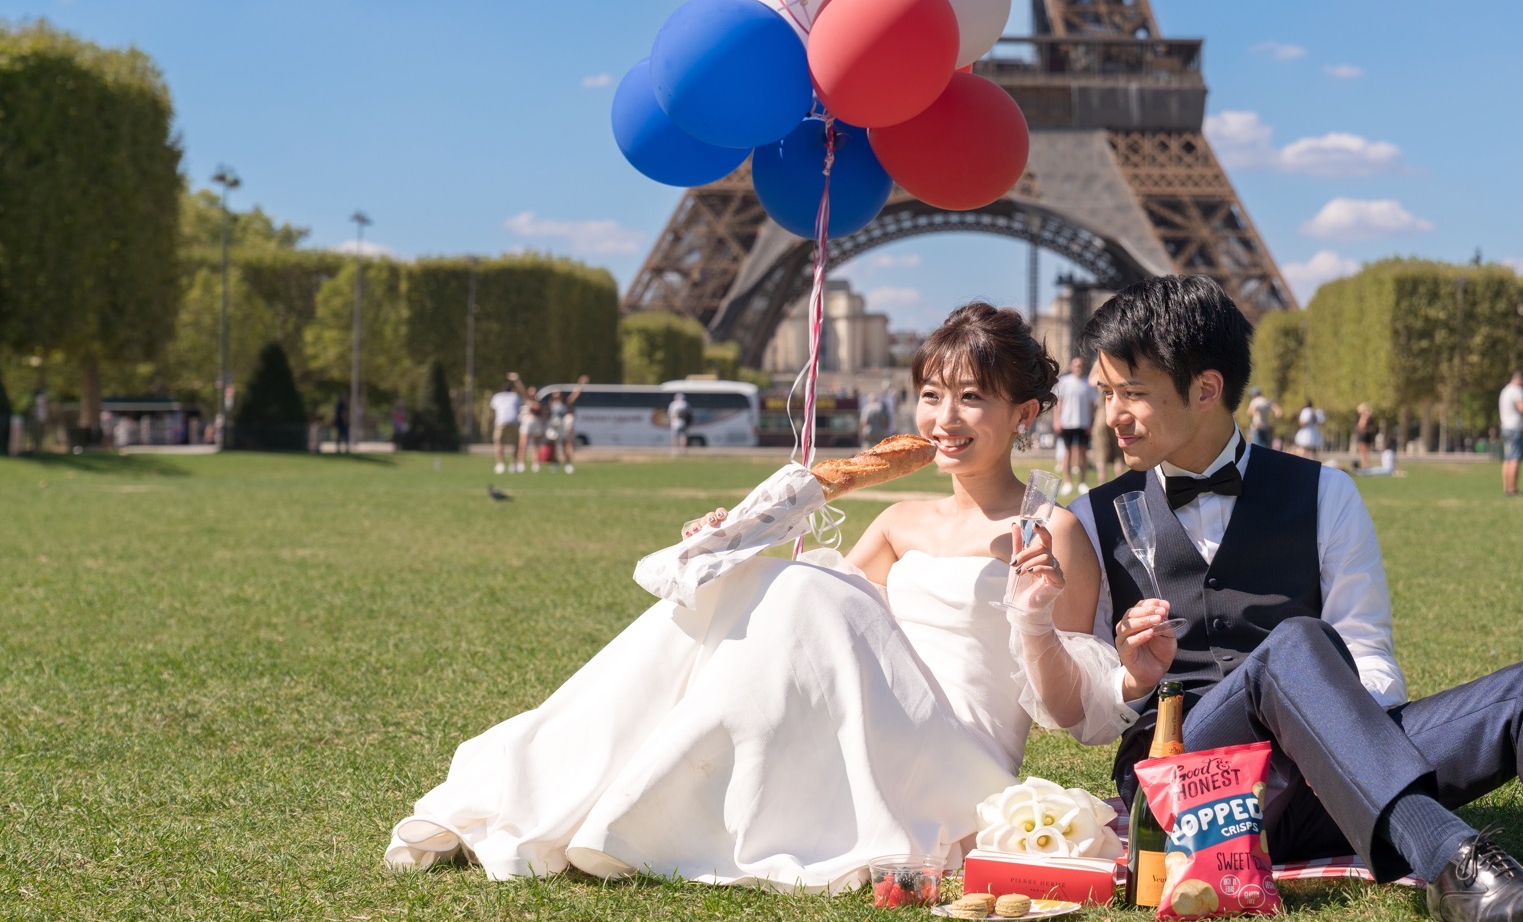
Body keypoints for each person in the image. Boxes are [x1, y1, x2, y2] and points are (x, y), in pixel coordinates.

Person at [1056, 276, 1523, 922]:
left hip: (1320, 788)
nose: (1111, 414)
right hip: (1180, 788)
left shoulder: (1327, 494)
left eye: (1132, 393)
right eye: (1108, 392)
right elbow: (1083, 716)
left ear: (1206, 388)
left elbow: (1368, 655)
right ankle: (1453, 862)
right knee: (1298, 645)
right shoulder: (1089, 520)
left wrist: (1330, 740)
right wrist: (1130, 677)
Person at [386, 303, 1126, 890]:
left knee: (794, 582)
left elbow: (1069, 714)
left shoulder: (1050, 532)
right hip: (876, 727)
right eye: (932, 395)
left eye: (973, 398)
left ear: (1026, 414)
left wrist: (1032, 616)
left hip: (957, 756)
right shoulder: (900, 521)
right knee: (753, 583)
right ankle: (554, 774)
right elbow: (814, 634)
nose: (945, 419)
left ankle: (584, 787)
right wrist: (732, 542)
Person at [1052, 356, 1097, 499]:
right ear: (1072, 367)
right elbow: (1059, 403)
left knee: (1083, 454)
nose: (1078, 367)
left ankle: (1082, 483)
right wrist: (1057, 420)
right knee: (1067, 454)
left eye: (1081, 365)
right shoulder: (1064, 382)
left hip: (1083, 423)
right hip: (1067, 423)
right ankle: (1067, 483)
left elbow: (1092, 406)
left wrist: (1092, 423)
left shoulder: (1088, 384)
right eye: (1076, 365)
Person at [547, 377, 589, 475]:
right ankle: (555, 463)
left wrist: (581, 384)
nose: (555, 394)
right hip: (553, 425)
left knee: (565, 444)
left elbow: (575, 394)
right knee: (552, 446)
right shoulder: (551, 403)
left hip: (562, 425)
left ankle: (568, 463)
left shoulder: (566, 402)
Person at [1498, 371, 1523, 496]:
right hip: (1515, 427)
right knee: (1515, 458)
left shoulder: (1505, 390)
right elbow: (1522, 408)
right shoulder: (1517, 390)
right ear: (1520, 380)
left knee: (1507, 459)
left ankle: (1506, 488)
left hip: (1505, 427)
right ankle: (1513, 488)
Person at [490, 378, 522, 473]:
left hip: (501, 421)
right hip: (513, 421)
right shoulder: (515, 396)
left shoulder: (497, 396)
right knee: (515, 443)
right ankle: (514, 465)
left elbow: (493, 408)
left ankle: (501, 465)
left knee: (498, 443)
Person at [668, 388, 694, 455]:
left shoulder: (673, 404)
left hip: (675, 423)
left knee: (675, 437)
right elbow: (689, 413)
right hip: (683, 422)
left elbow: (670, 414)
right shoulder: (685, 404)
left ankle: (675, 451)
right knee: (683, 436)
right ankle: (683, 450)